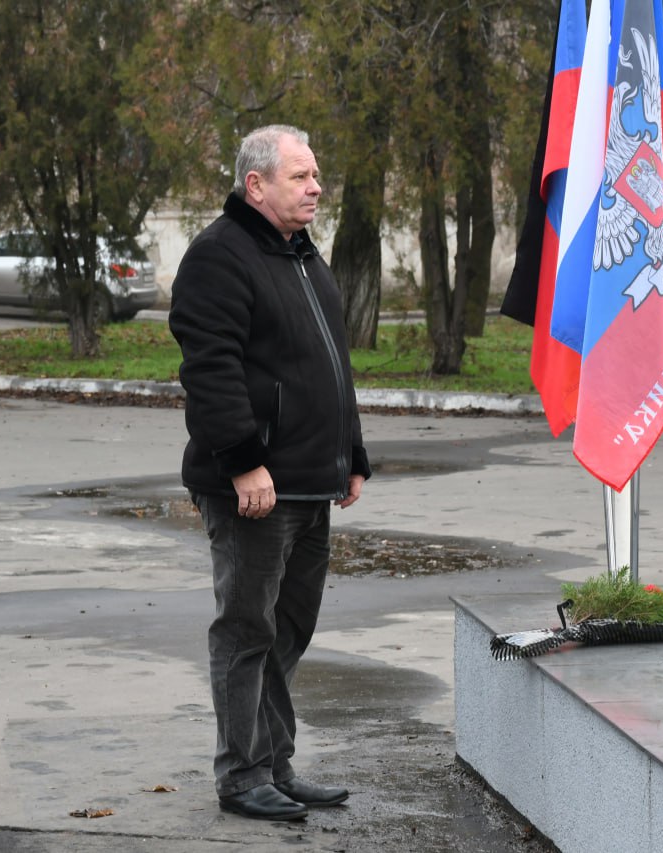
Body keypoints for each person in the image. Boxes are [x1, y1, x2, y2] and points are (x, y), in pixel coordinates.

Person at [168, 125, 371, 822]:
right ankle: (242, 773)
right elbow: (210, 370)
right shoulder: (218, 257)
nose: (316, 187)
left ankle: (276, 764)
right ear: (256, 185)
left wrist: (353, 453)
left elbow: (330, 365)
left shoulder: (302, 255)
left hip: (313, 480)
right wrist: (244, 462)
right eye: (301, 176)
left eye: (316, 175)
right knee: (246, 629)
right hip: (255, 486)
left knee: (289, 628)